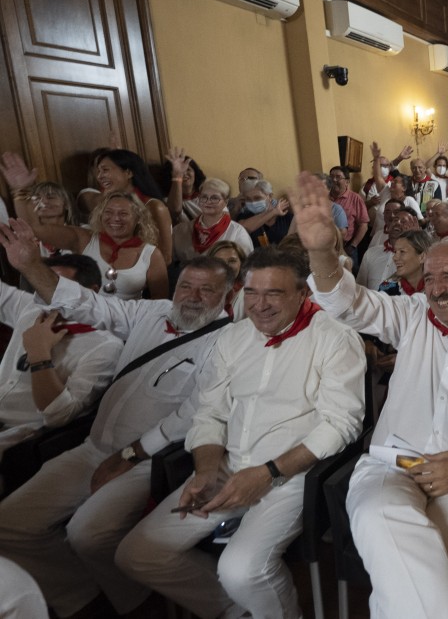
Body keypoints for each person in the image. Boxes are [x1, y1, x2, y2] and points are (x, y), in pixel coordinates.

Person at [292, 171, 448, 618]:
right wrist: (321, 253)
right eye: (429, 277)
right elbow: (350, 303)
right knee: (384, 520)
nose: (436, 288)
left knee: (407, 578)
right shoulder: (412, 314)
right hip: (392, 466)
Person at [0, 220, 234, 618]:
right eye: (185, 287)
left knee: (88, 534)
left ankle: (156, 606)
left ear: (226, 296)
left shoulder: (227, 341)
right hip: (93, 447)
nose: (192, 297)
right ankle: (86, 600)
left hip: (151, 460)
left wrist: (129, 455)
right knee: (9, 523)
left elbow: (191, 415)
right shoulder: (152, 311)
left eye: (206, 290)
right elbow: (89, 303)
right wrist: (30, 265)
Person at [115, 246, 365, 618]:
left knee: (241, 568)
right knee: (137, 553)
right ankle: (238, 609)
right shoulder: (233, 339)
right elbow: (210, 413)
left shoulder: (335, 338)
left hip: (293, 475)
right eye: (251, 292)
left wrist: (268, 473)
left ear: (303, 294)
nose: (259, 305)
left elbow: (341, 424)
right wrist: (205, 471)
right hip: (227, 467)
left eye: (274, 293)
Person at [0, 254, 121, 465]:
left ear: (89, 292)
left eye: (55, 288)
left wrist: (40, 355)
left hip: (21, 433)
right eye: (41, 285)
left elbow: (58, 416)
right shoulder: (32, 308)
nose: (45, 296)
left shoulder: (105, 346)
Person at [25, 191, 169, 300]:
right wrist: (21, 192)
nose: (115, 218)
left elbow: (160, 303)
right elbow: (36, 229)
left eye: (123, 213)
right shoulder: (84, 238)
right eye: (108, 212)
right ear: (100, 215)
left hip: (129, 327)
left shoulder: (151, 254)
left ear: (138, 218)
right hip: (85, 321)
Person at [170, 178, 253, 264]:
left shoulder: (237, 232)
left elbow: (247, 266)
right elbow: (171, 263)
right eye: (204, 197)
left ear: (225, 202)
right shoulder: (180, 230)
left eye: (215, 198)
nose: (208, 202)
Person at [329, 166, 371, 261]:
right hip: (327, 248)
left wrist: (353, 246)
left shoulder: (355, 198)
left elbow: (363, 225)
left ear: (347, 181)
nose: (334, 180)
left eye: (338, 177)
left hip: (347, 247)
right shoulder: (325, 198)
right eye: (331, 177)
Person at [236, 179, 293, 248]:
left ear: (270, 196)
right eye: (248, 199)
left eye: (257, 198)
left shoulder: (286, 217)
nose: (253, 202)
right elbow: (242, 228)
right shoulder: (245, 216)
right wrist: (273, 212)